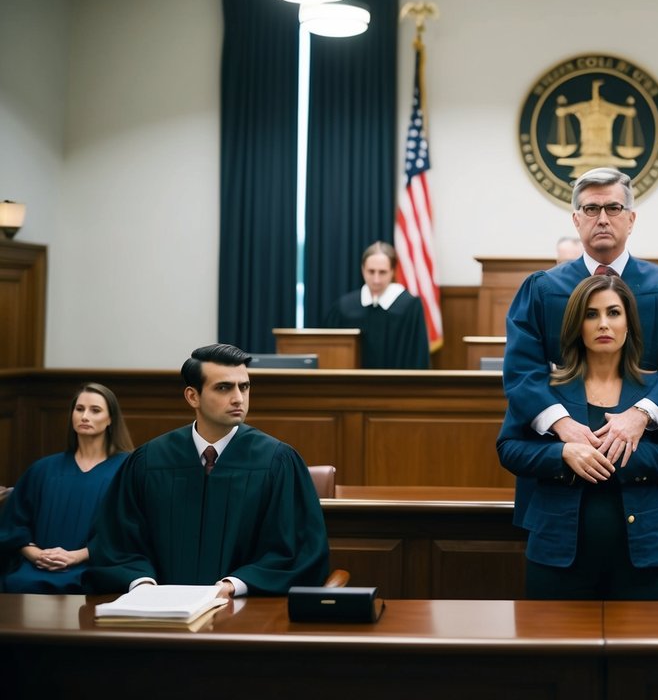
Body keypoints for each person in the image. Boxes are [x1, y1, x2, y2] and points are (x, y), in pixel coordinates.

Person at [498, 275, 658, 598]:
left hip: (645, 556)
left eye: (614, 313)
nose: (603, 324)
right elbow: (509, 448)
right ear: (578, 325)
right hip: (557, 556)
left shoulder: (656, 392)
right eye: (591, 314)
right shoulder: (545, 390)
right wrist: (562, 455)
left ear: (629, 324)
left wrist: (624, 453)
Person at [503, 166, 658, 474]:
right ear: (576, 219)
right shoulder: (543, 290)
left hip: (646, 452)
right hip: (563, 452)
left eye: (613, 208)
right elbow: (522, 368)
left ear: (631, 219)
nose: (602, 219)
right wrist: (562, 425)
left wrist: (640, 416)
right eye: (591, 209)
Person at [85, 344, 329, 597]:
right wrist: (142, 584)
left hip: (245, 613)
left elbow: (296, 550)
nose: (238, 398)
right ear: (193, 396)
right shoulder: (149, 461)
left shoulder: (277, 462)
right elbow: (117, 542)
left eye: (244, 387)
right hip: (158, 614)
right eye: (224, 388)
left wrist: (234, 585)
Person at [0, 384, 133, 593]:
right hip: (36, 566)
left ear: (110, 420)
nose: (85, 416)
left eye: (95, 410)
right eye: (79, 409)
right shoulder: (43, 470)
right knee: (17, 582)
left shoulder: (127, 470)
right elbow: (13, 525)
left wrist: (76, 556)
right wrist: (36, 554)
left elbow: (129, 531)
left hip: (93, 568)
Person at [324, 241, 430, 369]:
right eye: (371, 271)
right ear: (362, 270)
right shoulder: (344, 307)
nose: (376, 279)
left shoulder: (409, 307)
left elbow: (417, 357)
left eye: (382, 272)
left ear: (392, 272)